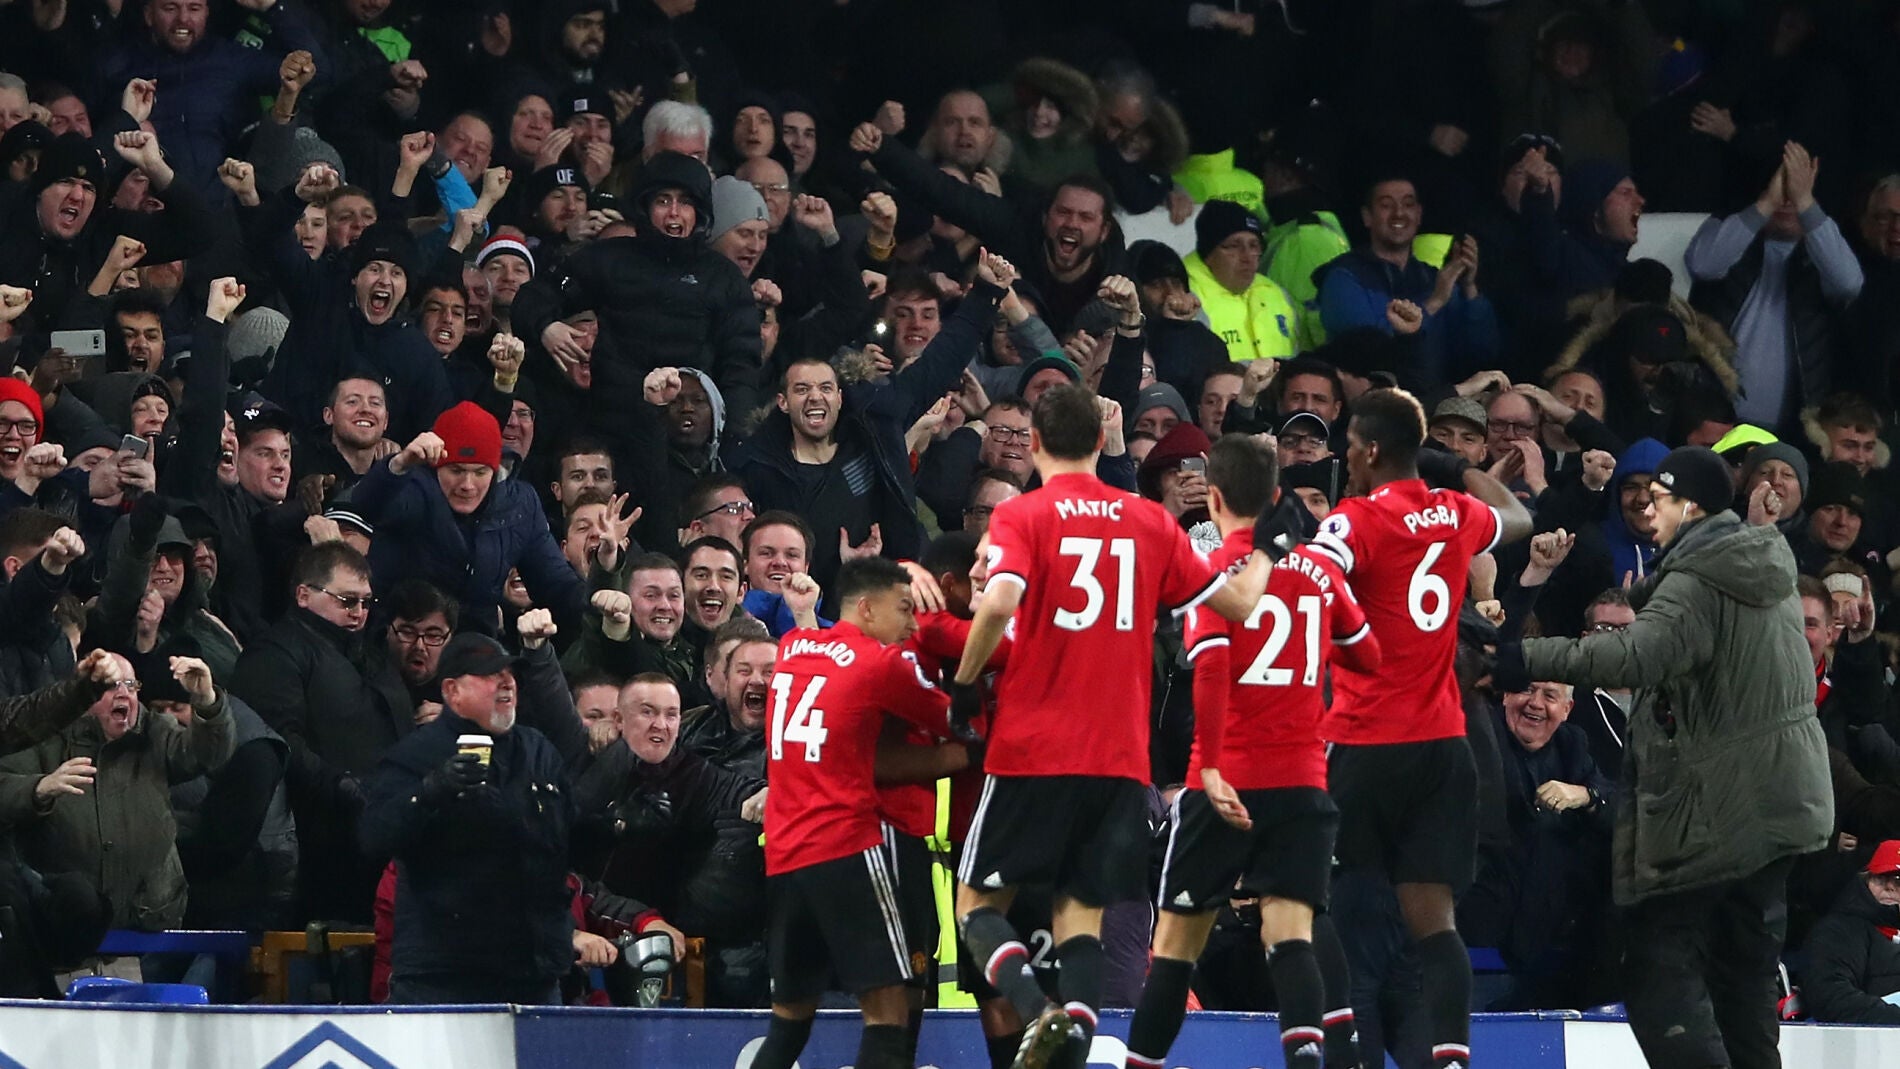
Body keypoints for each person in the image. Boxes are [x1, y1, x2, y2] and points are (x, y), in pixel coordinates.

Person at [946, 384, 1273, 1067]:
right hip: (1122, 762)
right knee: (1081, 921)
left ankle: (1040, 1013)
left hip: (1036, 748)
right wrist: (1257, 537)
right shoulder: (1150, 522)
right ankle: (1070, 1038)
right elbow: (1241, 603)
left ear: (1035, 445)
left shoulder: (1025, 515)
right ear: (1101, 443)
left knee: (975, 905)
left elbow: (1000, 599)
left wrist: (965, 679)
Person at [1497, 445, 1832, 1069]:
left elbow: (1632, 656)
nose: (1648, 510)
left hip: (1724, 807)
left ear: (1693, 506)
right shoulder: (1764, 564)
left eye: (1662, 498)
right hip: (1784, 807)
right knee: (1743, 975)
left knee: (1654, 960)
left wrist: (1524, 658)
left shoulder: (1701, 580)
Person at [1126, 435, 1378, 1069]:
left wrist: (1209, 764)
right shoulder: (1320, 571)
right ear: (1275, 497)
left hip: (1227, 779)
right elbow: (1368, 655)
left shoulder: (1213, 576)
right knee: (1291, 940)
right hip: (1300, 779)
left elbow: (1209, 669)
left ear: (1212, 499)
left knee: (1176, 947)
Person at [1304, 388, 1533, 1069]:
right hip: (1443, 749)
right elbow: (1517, 513)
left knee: (1327, 911)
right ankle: (1452, 1059)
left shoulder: (1355, 519)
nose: (1345, 458)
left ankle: (1348, 1056)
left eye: (1349, 447)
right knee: (1435, 923)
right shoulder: (1456, 512)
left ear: (1371, 450)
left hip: (1367, 742)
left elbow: (1316, 579)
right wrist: (1452, 465)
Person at [748, 564, 953, 1069]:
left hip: (785, 856)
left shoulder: (793, 647)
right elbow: (953, 720)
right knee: (889, 1014)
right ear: (866, 608)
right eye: (903, 610)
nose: (910, 625)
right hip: (846, 847)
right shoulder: (879, 665)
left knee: (788, 1025)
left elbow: (824, 661)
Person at [360, 632, 577, 1004]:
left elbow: (568, 840)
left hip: (535, 972)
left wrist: (617, 825)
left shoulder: (538, 750)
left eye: (510, 673)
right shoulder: (417, 754)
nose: (507, 681)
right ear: (451, 691)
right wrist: (429, 792)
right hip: (446, 976)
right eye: (491, 674)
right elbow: (373, 835)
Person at [230, 542, 413, 923]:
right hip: (315, 848)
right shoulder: (276, 652)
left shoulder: (369, 654)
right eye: (347, 601)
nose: (359, 613)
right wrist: (342, 786)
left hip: (382, 837)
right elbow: (278, 739)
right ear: (304, 594)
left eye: (365, 602)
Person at [0, 652, 233, 931]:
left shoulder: (155, 731)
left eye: (131, 685)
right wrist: (38, 788)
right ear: (82, 695)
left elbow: (210, 755)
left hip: (148, 924)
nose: (124, 693)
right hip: (64, 929)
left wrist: (207, 700)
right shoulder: (46, 737)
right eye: (111, 685)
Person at [1685, 142, 1863, 436]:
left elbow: (1849, 283)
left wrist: (1805, 201)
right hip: (1714, 418)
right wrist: (1767, 202)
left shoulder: (1822, 252)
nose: (1787, 200)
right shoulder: (1732, 230)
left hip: (1794, 428)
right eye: (1782, 187)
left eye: (1796, 191)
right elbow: (1703, 264)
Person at [1804, 840, 1900, 1024]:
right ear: (1866, 880)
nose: (1889, 887)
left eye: (1899, 881)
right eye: (1880, 878)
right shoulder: (1838, 931)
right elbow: (1829, 996)